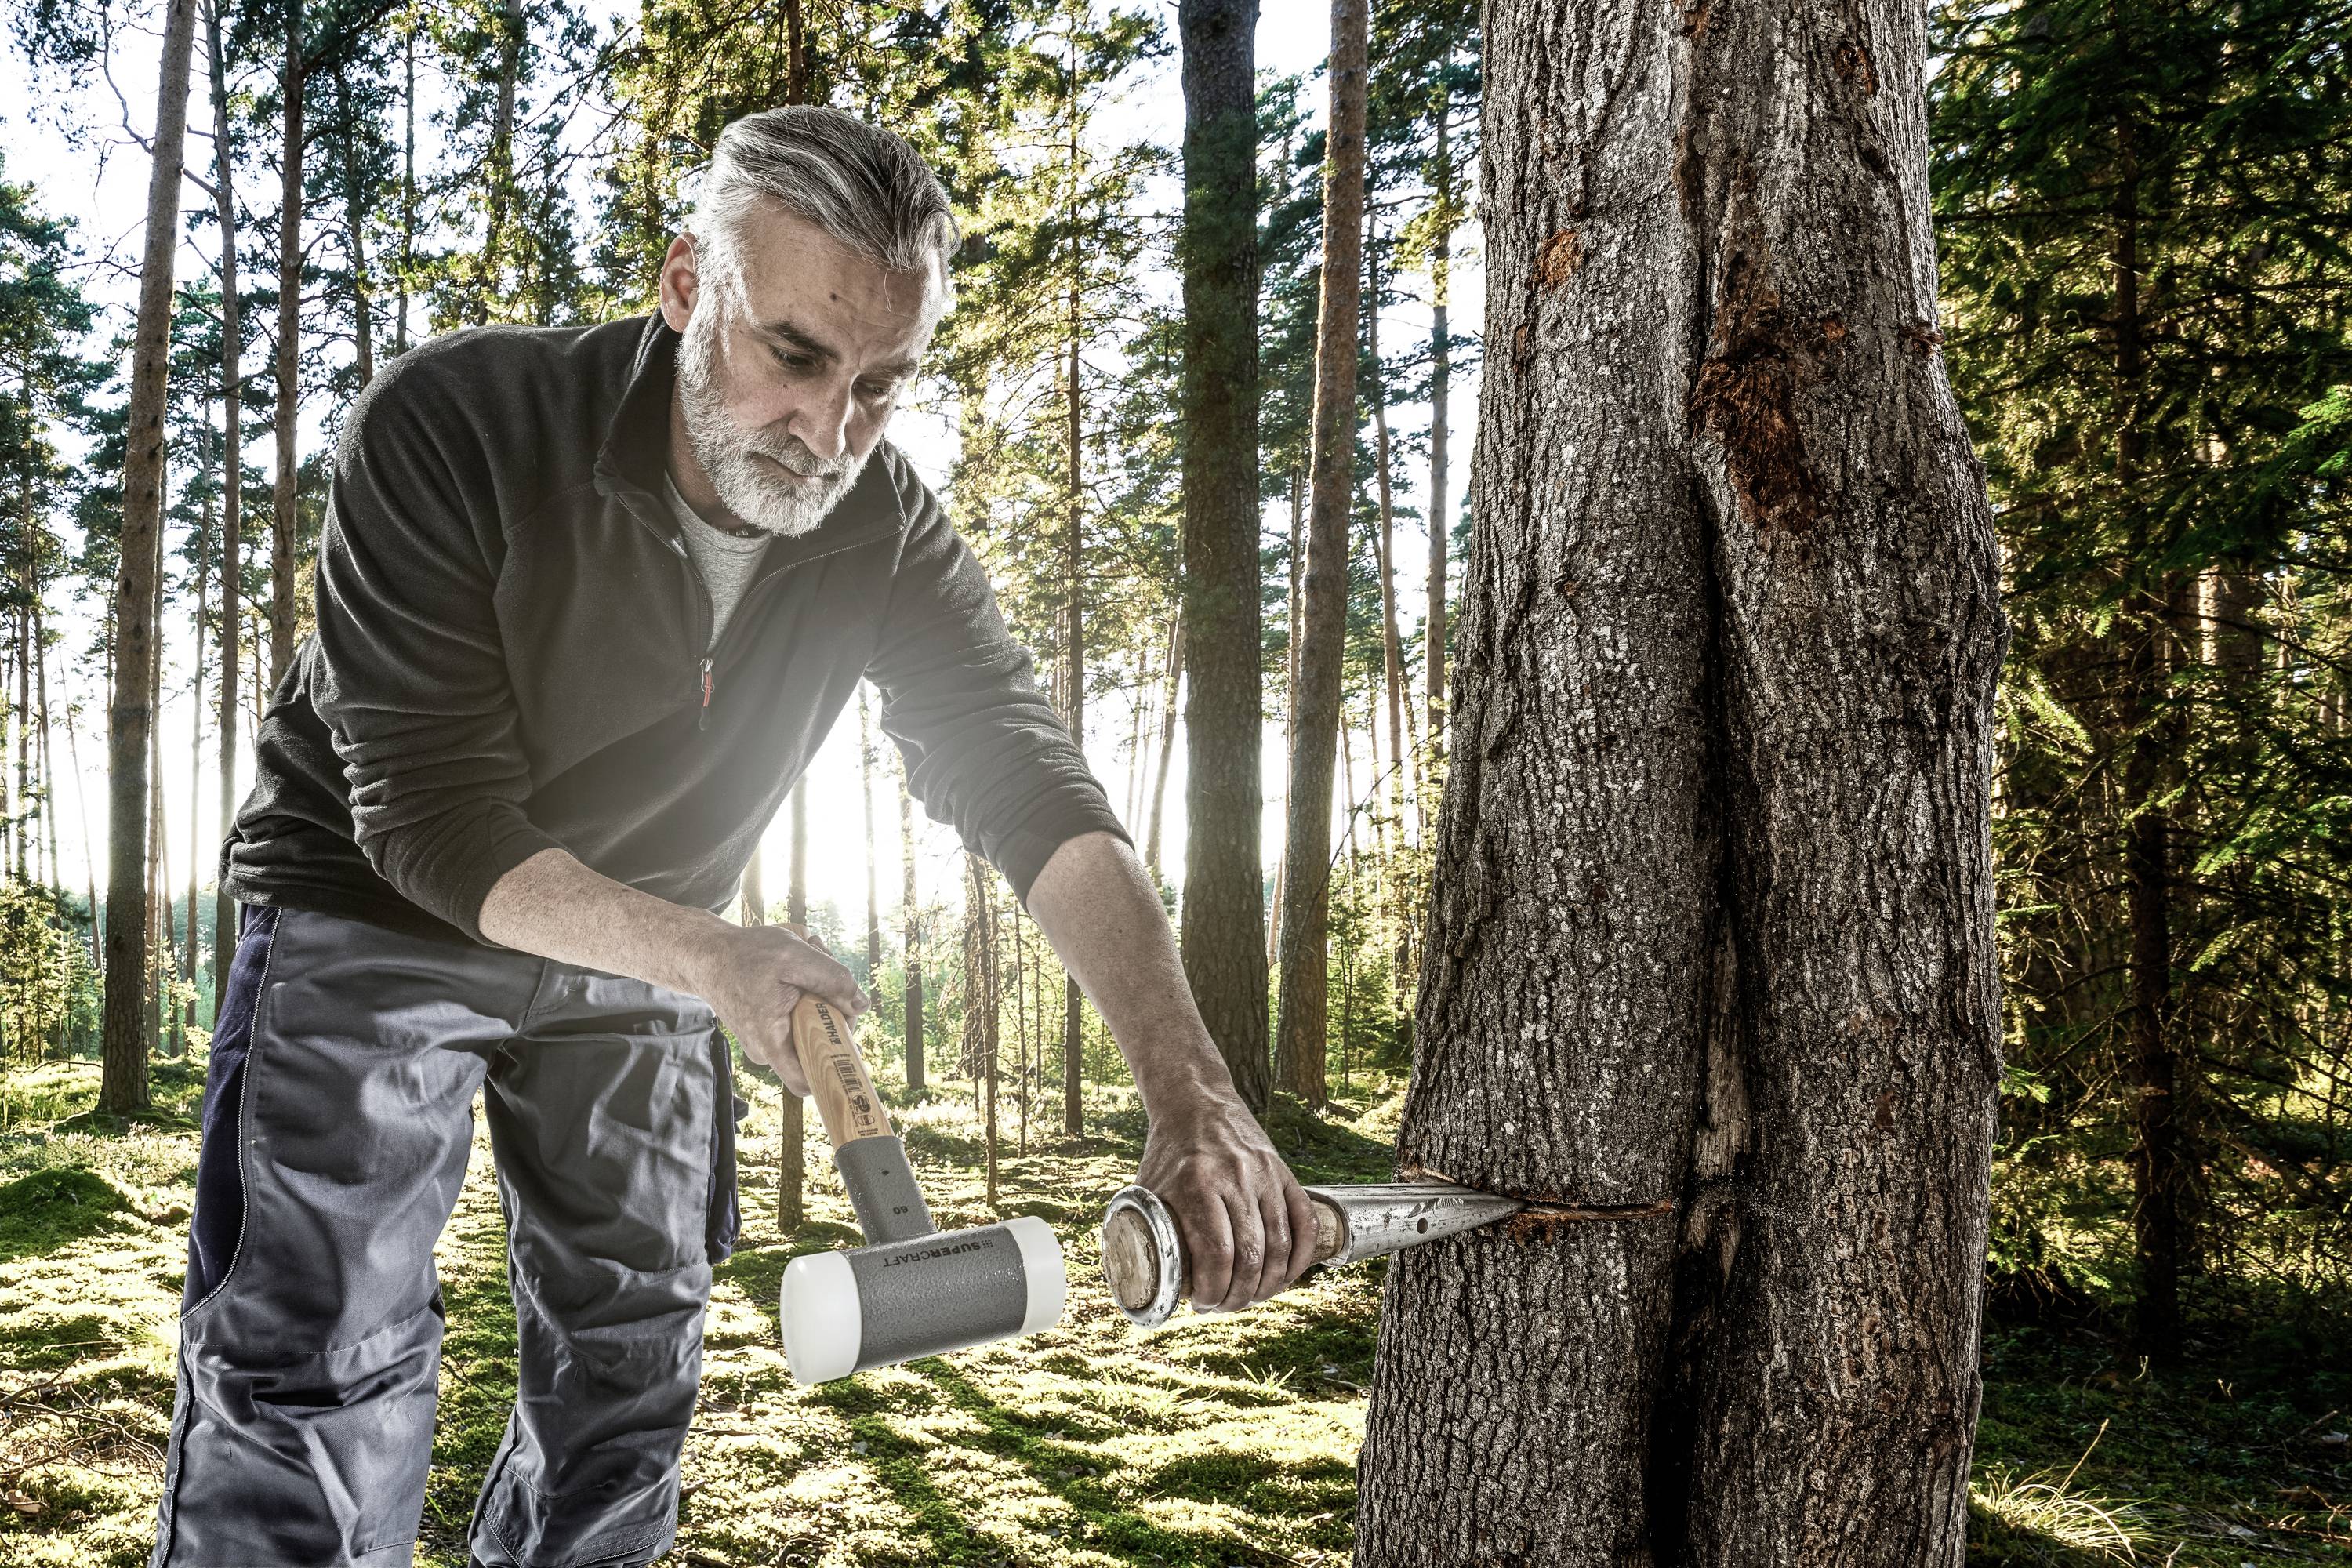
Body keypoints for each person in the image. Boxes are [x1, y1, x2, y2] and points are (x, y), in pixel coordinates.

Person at [149, 105, 1314, 1568]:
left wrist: (1191, 1087)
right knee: (320, 1366)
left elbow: (1027, 780)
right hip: (377, 911)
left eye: (885, 384)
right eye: (799, 357)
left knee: (629, 1376)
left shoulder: (879, 522)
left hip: (656, 945)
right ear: (689, 286)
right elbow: (433, 817)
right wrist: (713, 960)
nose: (831, 433)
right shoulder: (454, 422)